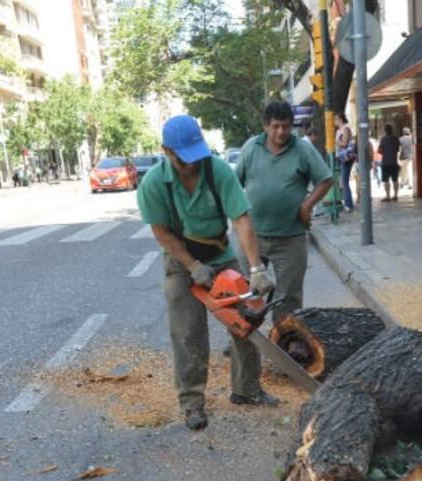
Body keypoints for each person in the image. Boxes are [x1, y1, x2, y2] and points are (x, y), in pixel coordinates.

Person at [137, 114, 278, 431]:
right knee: (188, 332)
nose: (192, 165)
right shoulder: (153, 185)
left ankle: (247, 390)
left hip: (219, 253)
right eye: (183, 159)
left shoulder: (217, 171)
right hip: (180, 260)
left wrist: (255, 269)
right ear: (167, 152)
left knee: (246, 318)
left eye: (196, 156)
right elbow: (163, 234)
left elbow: (241, 219)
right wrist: (192, 267)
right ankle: (192, 403)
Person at [236, 102, 333, 321]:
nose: (281, 132)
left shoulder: (303, 149)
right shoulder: (251, 147)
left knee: (288, 298)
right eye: (276, 126)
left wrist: (307, 205)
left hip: (291, 239)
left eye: (286, 127)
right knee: (247, 294)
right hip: (253, 238)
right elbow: (234, 185)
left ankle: (285, 346)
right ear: (266, 126)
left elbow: (326, 179)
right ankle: (244, 342)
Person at [335, 112, 355, 211]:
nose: (335, 121)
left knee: (344, 180)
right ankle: (346, 201)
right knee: (342, 180)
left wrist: (336, 142)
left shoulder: (345, 129)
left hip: (346, 157)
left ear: (341, 119)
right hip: (341, 157)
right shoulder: (339, 130)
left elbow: (344, 143)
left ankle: (348, 204)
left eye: (336, 119)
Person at [377, 124, 401, 202]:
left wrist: (385, 151)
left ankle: (388, 196)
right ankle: (395, 195)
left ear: (385, 131)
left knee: (386, 180)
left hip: (385, 162)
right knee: (395, 179)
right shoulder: (396, 138)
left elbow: (379, 150)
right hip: (394, 161)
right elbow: (398, 149)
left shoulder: (383, 139)